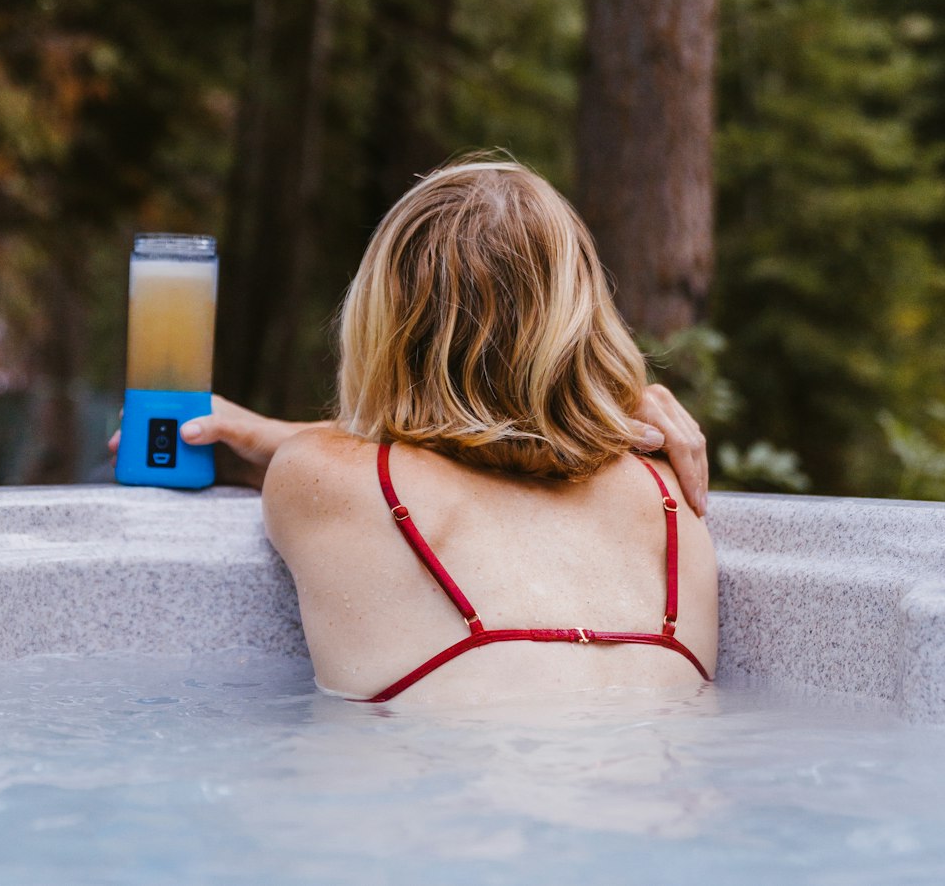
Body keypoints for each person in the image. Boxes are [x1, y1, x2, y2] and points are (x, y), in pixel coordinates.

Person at [113, 158, 717, 703]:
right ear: (582, 317)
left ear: (384, 322)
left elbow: (395, 451)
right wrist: (592, 406)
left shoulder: (317, 475)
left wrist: (270, 438)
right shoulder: (671, 493)